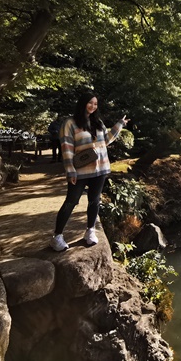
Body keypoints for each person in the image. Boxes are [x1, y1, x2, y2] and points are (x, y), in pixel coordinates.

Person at [50, 93, 129, 251]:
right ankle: (57, 236)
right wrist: (70, 170)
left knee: (94, 200)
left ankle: (90, 231)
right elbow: (66, 148)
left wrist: (120, 124)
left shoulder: (97, 122)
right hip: (80, 171)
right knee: (71, 201)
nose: (93, 106)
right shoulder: (70, 123)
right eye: (90, 103)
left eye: (95, 104)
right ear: (82, 103)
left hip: (100, 169)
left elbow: (105, 141)